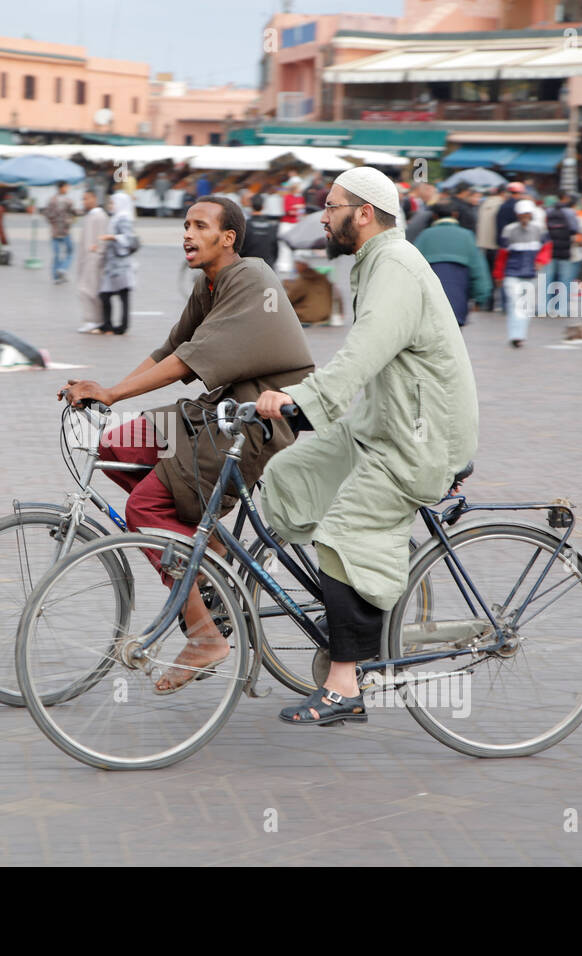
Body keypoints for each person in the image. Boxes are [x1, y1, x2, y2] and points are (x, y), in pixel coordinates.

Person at [60, 195, 314, 693]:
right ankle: (208, 546)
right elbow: (170, 350)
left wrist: (113, 393)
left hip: (255, 421)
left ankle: (204, 636)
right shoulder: (208, 283)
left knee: (144, 508)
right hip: (217, 411)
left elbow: (186, 362)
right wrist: (107, 393)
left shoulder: (250, 277)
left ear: (228, 238)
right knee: (117, 446)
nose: (187, 234)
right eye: (185, 225)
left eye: (199, 226)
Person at [255, 166, 478, 725]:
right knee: (289, 473)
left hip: (417, 438)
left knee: (342, 532)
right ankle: (346, 600)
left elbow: (364, 352)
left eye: (331, 207)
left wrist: (300, 402)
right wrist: (304, 407)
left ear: (364, 213)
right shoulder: (374, 262)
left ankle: (344, 684)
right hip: (381, 423)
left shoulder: (395, 266)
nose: (322, 217)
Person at [413, 200, 491, 326]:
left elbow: (410, 268)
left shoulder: (425, 236)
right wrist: (480, 297)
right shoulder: (467, 236)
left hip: (429, 303)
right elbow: (479, 269)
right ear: (455, 215)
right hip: (458, 300)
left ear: (435, 216)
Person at [496, 198, 548, 347]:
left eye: (527, 214)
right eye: (522, 214)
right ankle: (516, 335)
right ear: (518, 215)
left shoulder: (539, 229)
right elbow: (502, 254)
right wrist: (498, 274)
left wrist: (541, 260)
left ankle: (520, 335)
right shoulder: (509, 230)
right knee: (515, 304)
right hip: (512, 273)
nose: (525, 217)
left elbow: (546, 248)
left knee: (526, 306)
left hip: (531, 274)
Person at [95, 192, 138, 335]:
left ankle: (121, 326)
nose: (110, 206)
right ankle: (109, 324)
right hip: (113, 264)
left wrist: (113, 237)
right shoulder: (116, 218)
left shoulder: (124, 218)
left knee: (121, 295)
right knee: (106, 294)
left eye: (112, 203)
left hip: (121, 264)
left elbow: (128, 239)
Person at [75, 189, 108, 333]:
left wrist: (98, 253)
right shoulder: (91, 216)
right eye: (83, 199)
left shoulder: (100, 216)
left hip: (94, 259)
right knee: (85, 289)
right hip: (87, 258)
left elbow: (102, 239)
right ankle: (91, 320)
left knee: (90, 290)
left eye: (86, 198)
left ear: (94, 198)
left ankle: (94, 320)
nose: (84, 202)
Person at [543, 193, 580, 318]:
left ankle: (545, 307)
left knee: (548, 280)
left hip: (550, 250)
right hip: (565, 250)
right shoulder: (570, 212)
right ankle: (562, 309)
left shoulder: (548, 211)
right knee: (564, 281)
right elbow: (575, 229)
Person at [475, 186, 505, 309]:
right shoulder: (501, 204)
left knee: (487, 274)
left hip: (483, 244)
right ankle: (495, 303)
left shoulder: (484, 204)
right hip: (495, 245)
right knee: (496, 274)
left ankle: (487, 302)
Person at [43, 180, 75, 284]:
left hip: (55, 231)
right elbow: (74, 212)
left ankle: (56, 276)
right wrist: (69, 220)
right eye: (66, 187)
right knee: (69, 251)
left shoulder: (51, 200)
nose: (67, 189)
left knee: (56, 254)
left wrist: (53, 223)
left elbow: (47, 214)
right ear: (62, 187)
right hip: (65, 231)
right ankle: (62, 269)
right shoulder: (68, 201)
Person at [283, 259, 333, 324]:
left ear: (300, 266)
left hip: (308, 315)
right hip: (325, 315)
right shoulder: (322, 278)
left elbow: (289, 299)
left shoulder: (304, 280)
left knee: (282, 311)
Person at [240, 193, 279, 270]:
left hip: (249, 266)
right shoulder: (272, 226)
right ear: (263, 206)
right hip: (268, 266)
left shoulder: (246, 225)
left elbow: (241, 249)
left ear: (250, 206)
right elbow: (275, 249)